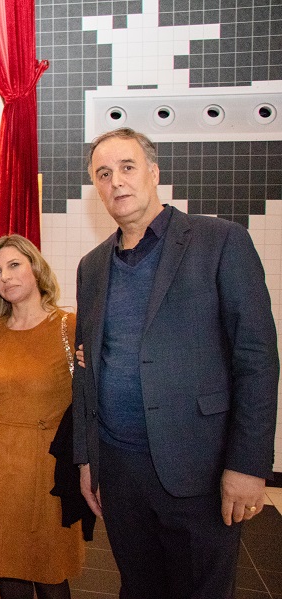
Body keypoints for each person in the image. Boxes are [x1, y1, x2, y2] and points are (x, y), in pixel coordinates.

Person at [73, 127, 279, 597]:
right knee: (138, 587)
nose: (116, 181)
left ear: (153, 172)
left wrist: (248, 465)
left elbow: (256, 359)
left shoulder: (220, 241)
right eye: (103, 174)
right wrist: (87, 461)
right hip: (120, 469)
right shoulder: (92, 265)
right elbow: (87, 370)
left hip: (198, 465)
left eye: (127, 167)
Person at [0, 234, 83, 599]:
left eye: (14, 265)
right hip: (1, 461)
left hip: (49, 464)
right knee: (7, 565)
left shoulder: (69, 327)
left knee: (49, 569)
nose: (5, 277)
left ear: (36, 269)